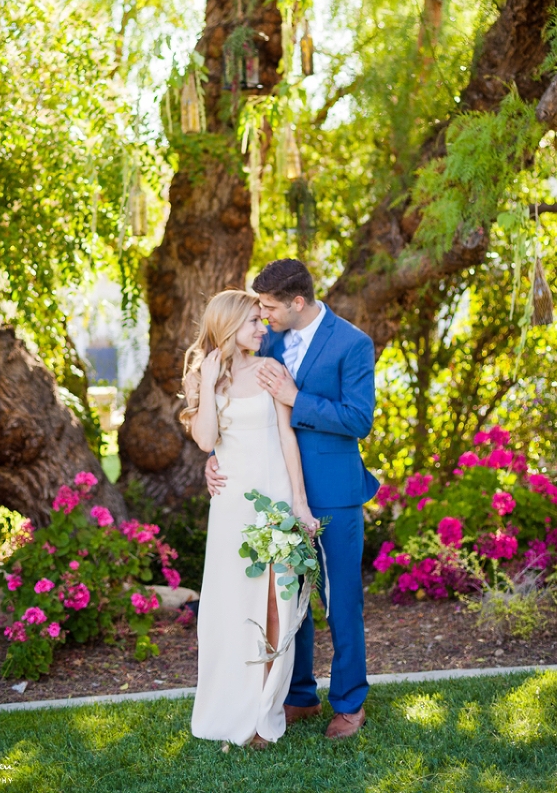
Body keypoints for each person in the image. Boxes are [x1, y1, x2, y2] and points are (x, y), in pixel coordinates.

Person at [206, 259, 378, 740]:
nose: (262, 316)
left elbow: (358, 419)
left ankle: (349, 703)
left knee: (338, 601)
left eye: (269, 307)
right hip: (274, 492)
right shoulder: (267, 340)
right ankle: (298, 693)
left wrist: (295, 396)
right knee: (285, 600)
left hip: (334, 493)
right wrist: (216, 457)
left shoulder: (352, 344)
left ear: (297, 302)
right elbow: (235, 405)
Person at [182, 289, 319, 748]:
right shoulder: (208, 375)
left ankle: (265, 713)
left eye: (263, 320)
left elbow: (287, 439)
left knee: (278, 605)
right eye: (253, 323)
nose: (263, 329)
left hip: (275, 499)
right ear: (228, 327)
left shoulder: (271, 371)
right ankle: (235, 707)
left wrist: (298, 503)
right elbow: (205, 442)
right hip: (232, 506)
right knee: (234, 608)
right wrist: (206, 377)